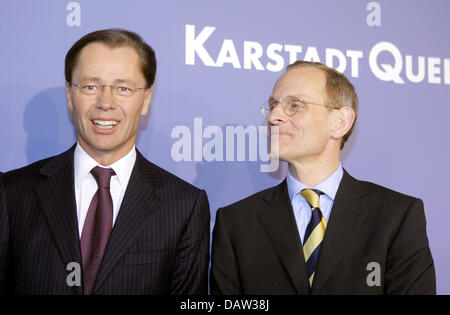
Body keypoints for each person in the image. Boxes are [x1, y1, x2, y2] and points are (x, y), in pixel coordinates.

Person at [0, 29, 210, 295]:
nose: (105, 102)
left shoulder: (184, 205)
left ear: (145, 99)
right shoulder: (12, 192)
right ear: (69, 94)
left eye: (123, 88)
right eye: (90, 87)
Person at [210, 61, 435, 295]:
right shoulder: (236, 223)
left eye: (295, 105)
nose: (274, 116)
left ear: (339, 123)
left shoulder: (395, 216)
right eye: (273, 105)